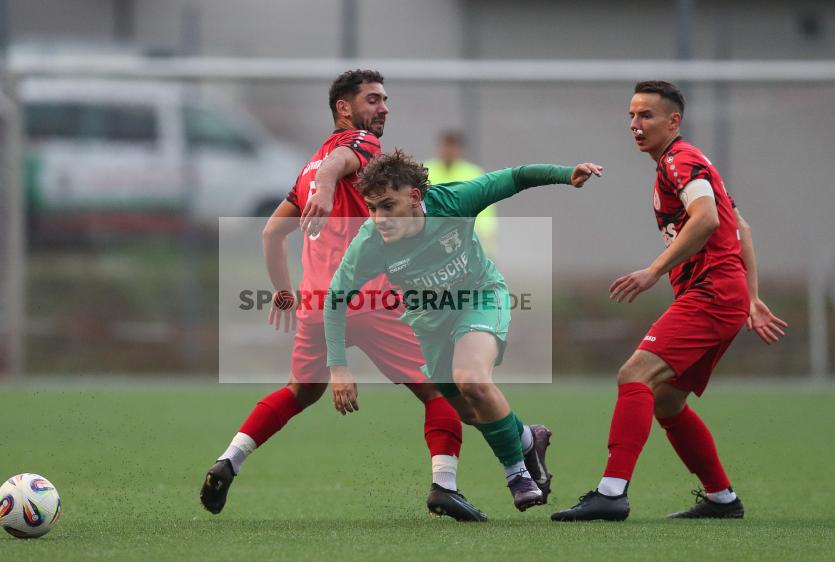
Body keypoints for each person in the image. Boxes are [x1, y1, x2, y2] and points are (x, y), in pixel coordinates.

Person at [201, 70, 524, 522]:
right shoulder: (363, 147)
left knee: (299, 392)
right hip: (374, 298)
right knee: (440, 392)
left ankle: (229, 459)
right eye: (373, 99)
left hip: (318, 302)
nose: (383, 108)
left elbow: (273, 233)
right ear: (344, 108)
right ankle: (444, 486)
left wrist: (283, 292)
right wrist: (334, 180)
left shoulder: (308, 167)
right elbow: (341, 165)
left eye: (385, 100)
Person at [551, 80, 788, 522]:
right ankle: (722, 500)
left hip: (711, 293)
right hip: (726, 294)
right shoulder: (686, 162)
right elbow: (742, 228)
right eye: (631, 116)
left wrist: (653, 270)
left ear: (673, 121)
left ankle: (611, 492)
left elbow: (709, 220)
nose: (635, 125)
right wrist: (751, 298)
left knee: (634, 375)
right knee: (667, 402)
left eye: (646, 116)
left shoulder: (679, 160)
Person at [324, 149, 602, 511]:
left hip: (480, 297)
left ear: (414, 197)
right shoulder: (369, 244)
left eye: (388, 206)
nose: (379, 218)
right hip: (429, 320)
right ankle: (527, 437)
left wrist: (567, 174)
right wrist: (338, 366)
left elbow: (516, 176)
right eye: (372, 208)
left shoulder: (454, 201)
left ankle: (517, 473)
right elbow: (335, 299)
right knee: (471, 412)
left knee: (471, 379)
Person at [425, 131, 496, 254]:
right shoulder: (425, 171)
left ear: (459, 149)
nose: (449, 151)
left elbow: (485, 209)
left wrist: (485, 233)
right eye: (446, 146)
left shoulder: (473, 173)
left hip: (466, 240)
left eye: (453, 147)